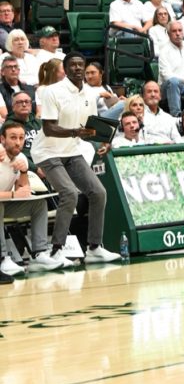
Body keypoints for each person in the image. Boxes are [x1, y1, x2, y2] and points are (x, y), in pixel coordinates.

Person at [29, 52, 120, 265]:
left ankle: (94, 248)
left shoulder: (89, 93)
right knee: (69, 193)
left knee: (98, 192)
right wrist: (74, 133)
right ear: (66, 68)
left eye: (81, 65)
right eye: (73, 65)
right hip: (48, 152)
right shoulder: (52, 91)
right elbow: (49, 127)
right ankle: (55, 251)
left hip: (72, 150)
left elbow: (89, 126)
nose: (78, 68)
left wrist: (104, 140)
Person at [0, 118, 62, 276]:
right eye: (13, 137)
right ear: (2, 139)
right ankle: (3, 258)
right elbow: (16, 193)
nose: (18, 142)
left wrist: (23, 172)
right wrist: (14, 194)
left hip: (5, 204)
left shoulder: (21, 158)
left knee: (38, 204)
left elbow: (23, 190)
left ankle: (39, 254)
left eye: (21, 138)